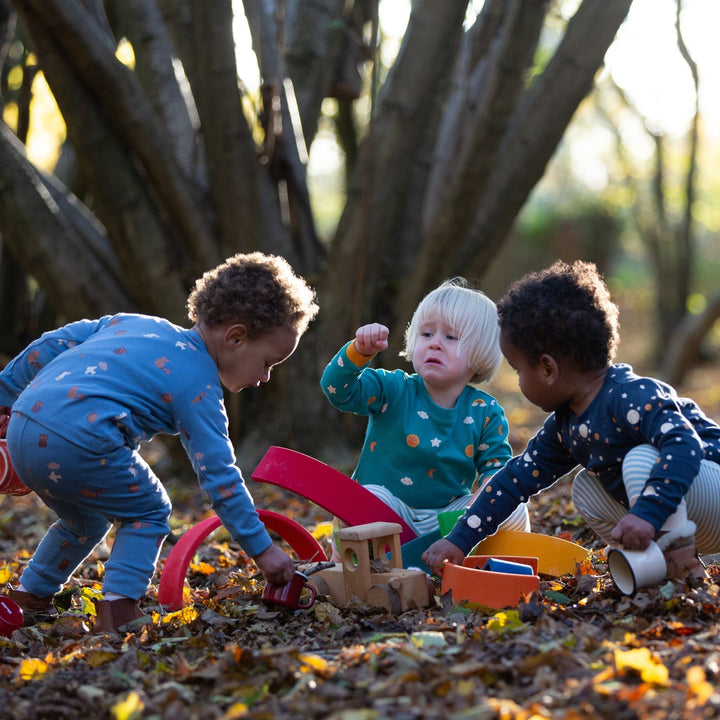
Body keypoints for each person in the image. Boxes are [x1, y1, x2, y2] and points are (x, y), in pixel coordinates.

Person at [0, 252, 319, 633]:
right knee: (149, 510)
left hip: (23, 426)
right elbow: (219, 476)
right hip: (82, 441)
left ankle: (30, 596)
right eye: (268, 362)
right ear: (235, 337)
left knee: (86, 518)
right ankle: (118, 612)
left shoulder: (133, 323)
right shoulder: (199, 388)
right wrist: (262, 549)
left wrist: (4, 395)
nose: (265, 376)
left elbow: (53, 344)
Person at [423, 261, 720, 585]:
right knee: (586, 488)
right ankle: (649, 569)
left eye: (518, 370)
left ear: (548, 370)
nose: (520, 382)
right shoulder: (567, 425)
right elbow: (513, 481)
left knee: (638, 460)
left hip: (709, 491)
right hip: (678, 512)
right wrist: (459, 539)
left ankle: (681, 567)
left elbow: (684, 444)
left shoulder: (630, 395)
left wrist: (648, 513)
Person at [320, 278, 530, 553]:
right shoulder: (393, 389)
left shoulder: (485, 411)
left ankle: (494, 563)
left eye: (451, 337)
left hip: (448, 525)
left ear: (480, 354)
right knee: (367, 496)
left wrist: (480, 504)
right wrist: (359, 352)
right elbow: (338, 390)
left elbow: (495, 470)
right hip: (387, 514)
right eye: (427, 334)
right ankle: (355, 561)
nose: (435, 344)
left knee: (512, 504)